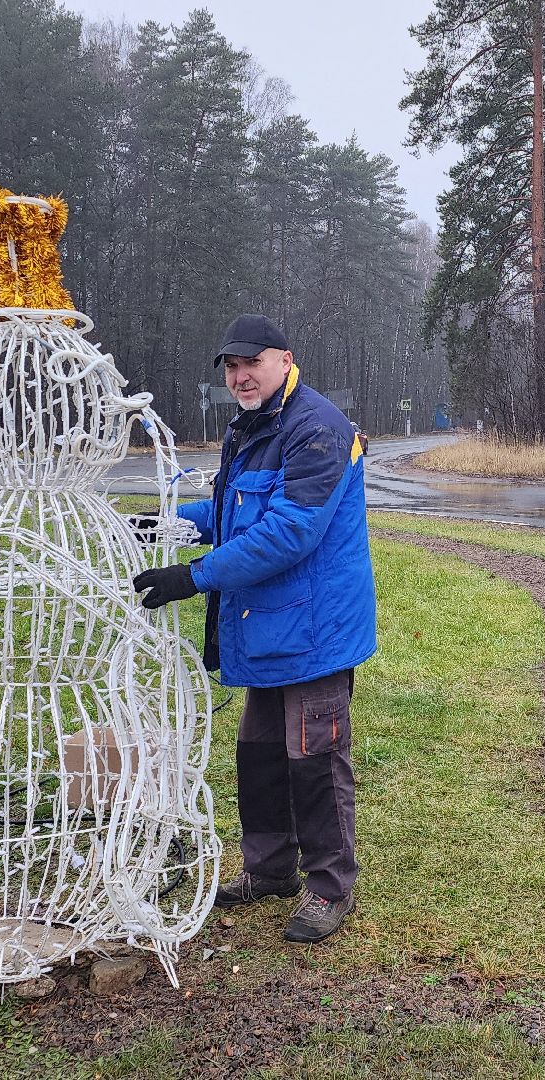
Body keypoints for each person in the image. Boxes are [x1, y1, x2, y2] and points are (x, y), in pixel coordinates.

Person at [131, 314, 377, 944]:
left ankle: (327, 886)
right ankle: (269, 871)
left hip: (313, 627)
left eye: (253, 363)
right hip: (266, 624)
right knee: (260, 755)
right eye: (232, 368)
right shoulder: (253, 424)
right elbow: (231, 506)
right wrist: (164, 524)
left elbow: (293, 530)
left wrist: (197, 576)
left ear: (285, 359)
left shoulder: (316, 428)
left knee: (313, 759)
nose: (241, 376)